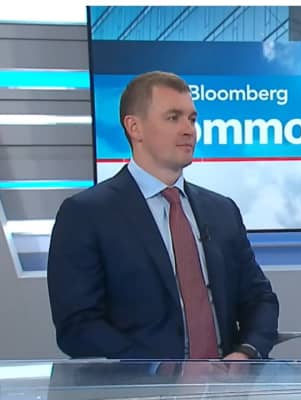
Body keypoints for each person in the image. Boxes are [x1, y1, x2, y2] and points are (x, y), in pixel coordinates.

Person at [47, 71, 279, 360]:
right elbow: (78, 325)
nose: (188, 130)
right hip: (141, 382)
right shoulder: (86, 214)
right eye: (173, 118)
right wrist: (159, 371)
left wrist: (246, 353)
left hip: (227, 380)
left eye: (192, 119)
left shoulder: (222, 210)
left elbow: (259, 299)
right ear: (135, 127)